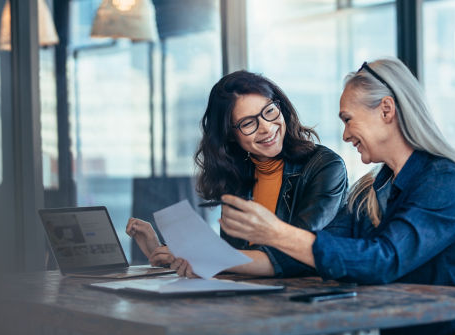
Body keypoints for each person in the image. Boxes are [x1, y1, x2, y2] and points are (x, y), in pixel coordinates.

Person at [217, 58, 455, 335]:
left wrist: (275, 231)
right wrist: (207, 261)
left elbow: (383, 260)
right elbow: (310, 254)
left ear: (386, 110)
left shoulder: (446, 182)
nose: (346, 135)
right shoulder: (370, 190)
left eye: (348, 119)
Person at [126, 70, 347, 278]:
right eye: (248, 123)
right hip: (250, 299)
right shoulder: (236, 175)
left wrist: (207, 258)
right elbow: (233, 259)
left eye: (270, 111)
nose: (267, 128)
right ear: (230, 135)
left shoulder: (325, 166)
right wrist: (164, 253)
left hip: (306, 301)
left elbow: (298, 251)